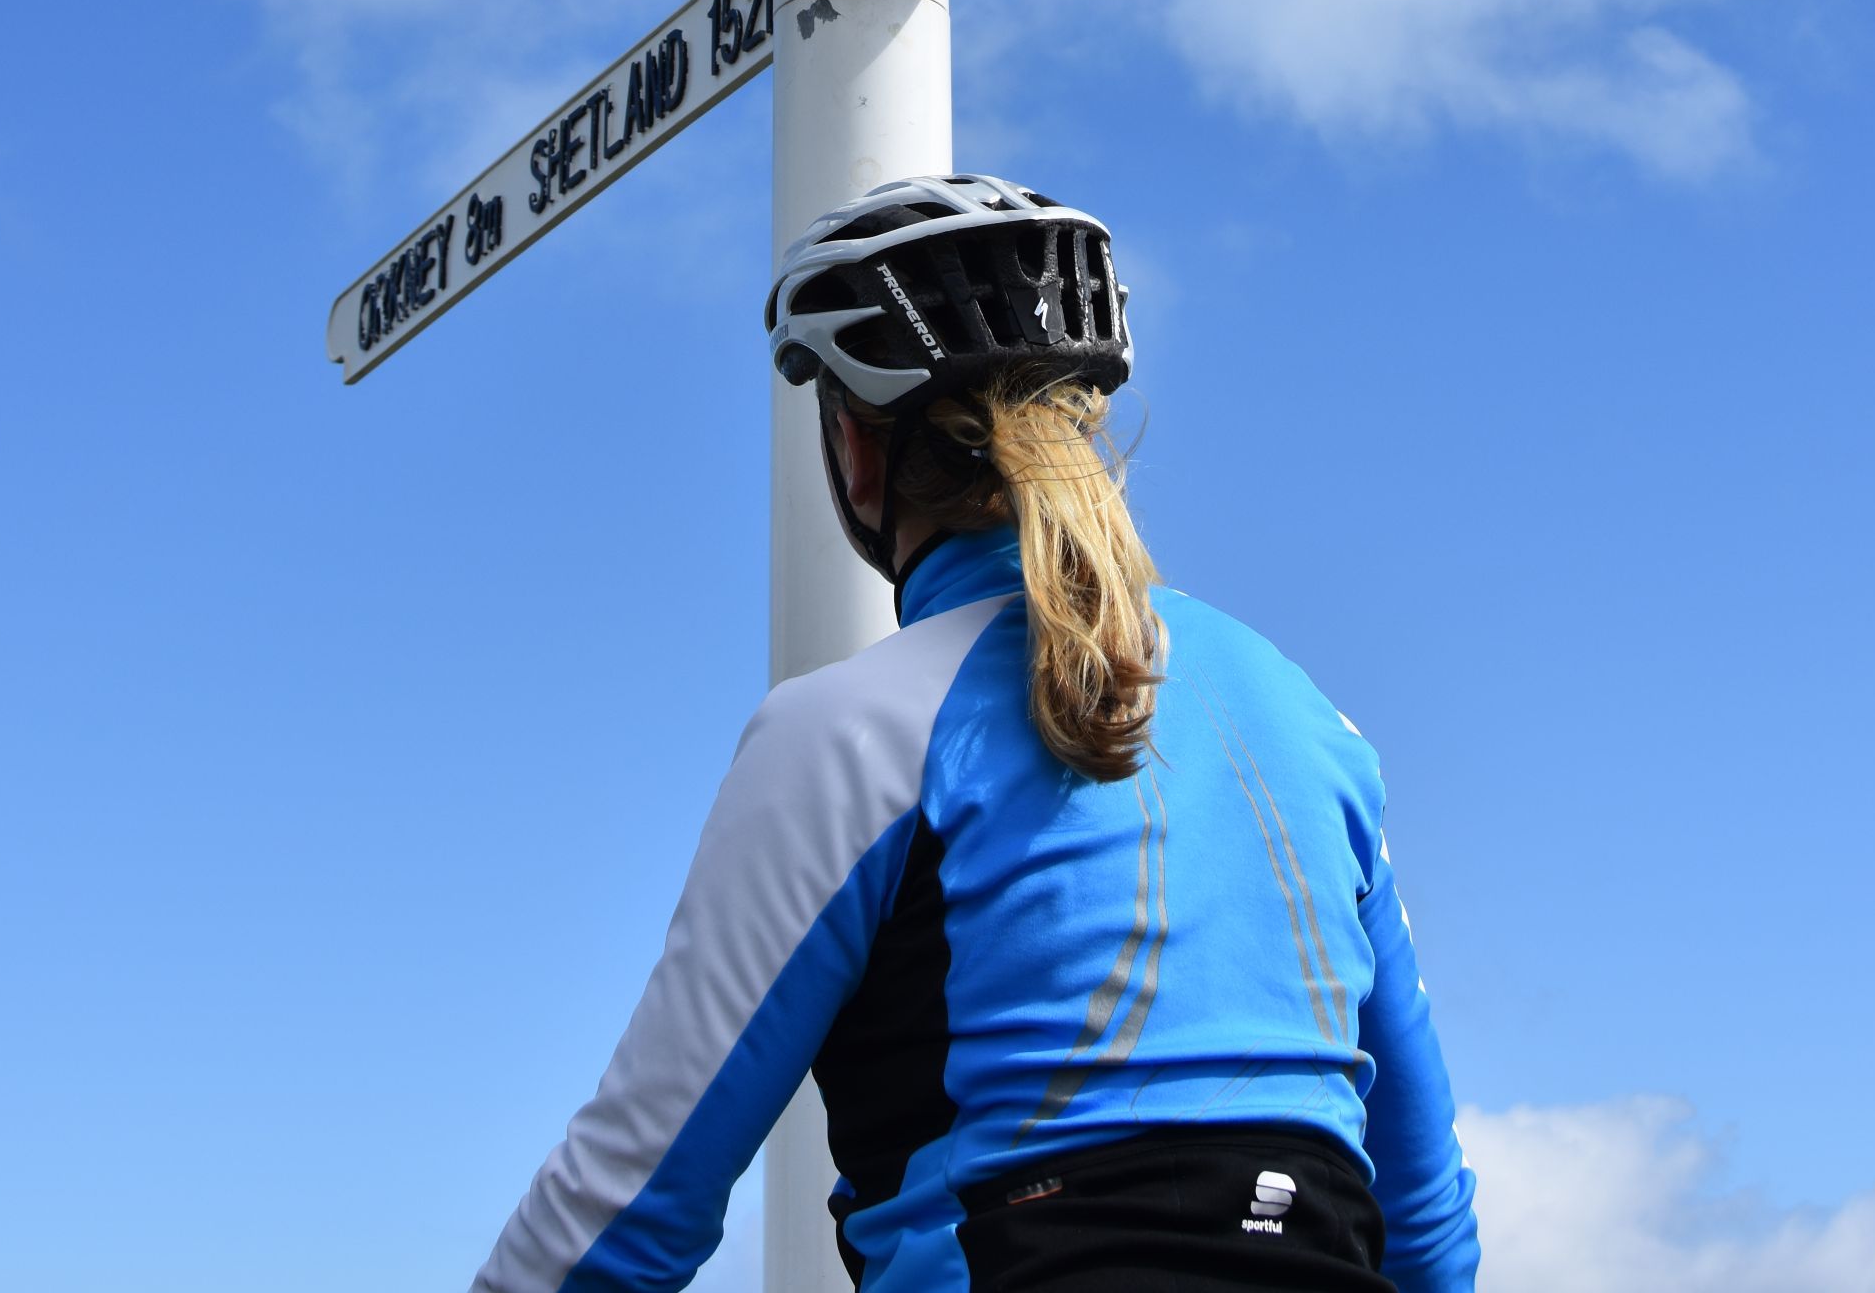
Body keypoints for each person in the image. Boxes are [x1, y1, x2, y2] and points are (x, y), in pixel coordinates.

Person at [474, 173, 1479, 1292]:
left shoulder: (850, 729)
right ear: (1083, 425)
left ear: (856, 448)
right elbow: (1423, 1202)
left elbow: (629, 1203)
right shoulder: (1308, 713)